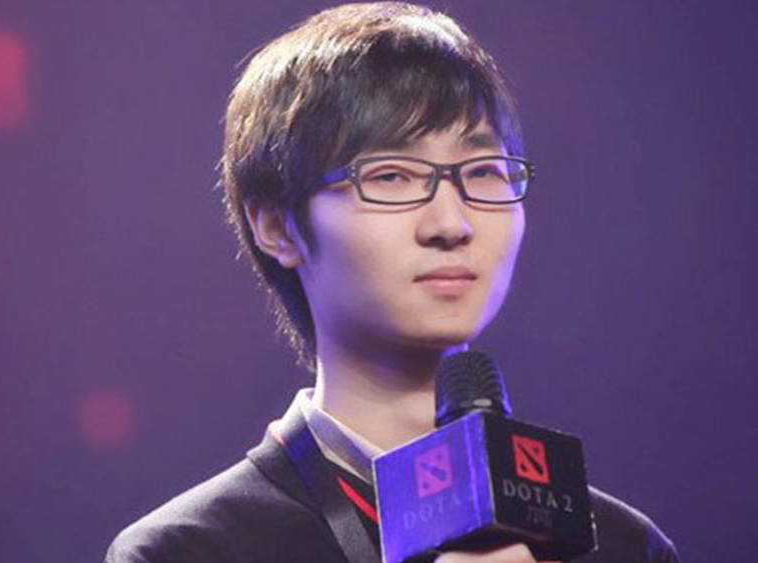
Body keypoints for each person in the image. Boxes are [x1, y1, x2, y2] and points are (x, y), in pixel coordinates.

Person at [104, 3, 679, 562]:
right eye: (392, 176)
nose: (451, 224)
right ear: (276, 226)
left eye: (483, 171)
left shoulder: (624, 547)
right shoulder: (188, 550)